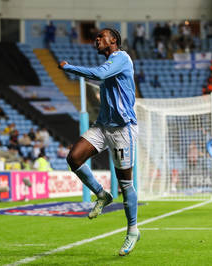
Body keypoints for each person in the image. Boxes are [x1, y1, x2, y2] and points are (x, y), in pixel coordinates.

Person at [58, 28, 139, 256]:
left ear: (113, 40)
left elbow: (101, 75)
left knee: (126, 184)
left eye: (101, 37)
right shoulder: (111, 62)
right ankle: (102, 195)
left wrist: (70, 67)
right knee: (74, 157)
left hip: (123, 130)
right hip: (103, 126)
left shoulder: (122, 58)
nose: (97, 39)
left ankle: (132, 230)